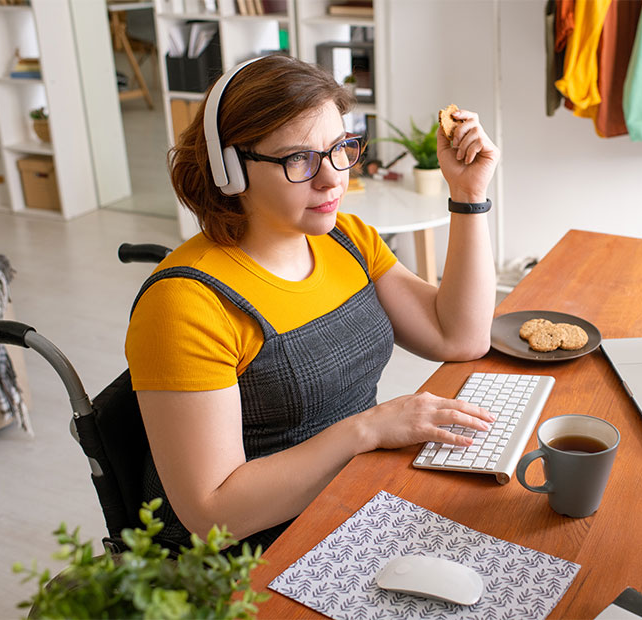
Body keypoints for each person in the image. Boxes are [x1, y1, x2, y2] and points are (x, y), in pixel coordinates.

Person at [125, 54, 500, 551]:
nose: (332, 179)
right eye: (298, 159)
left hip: (351, 497)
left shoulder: (345, 237)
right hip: (252, 552)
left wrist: (468, 194)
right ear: (230, 170)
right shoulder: (184, 304)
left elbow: (459, 337)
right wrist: (367, 429)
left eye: (339, 148)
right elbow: (211, 515)